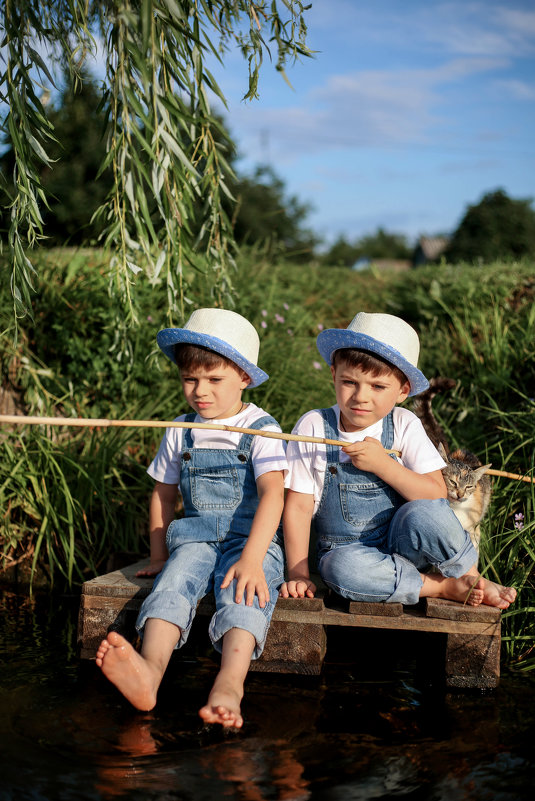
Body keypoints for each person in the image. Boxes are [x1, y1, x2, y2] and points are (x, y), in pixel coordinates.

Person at [96, 308, 287, 728]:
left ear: (244, 378)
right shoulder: (180, 428)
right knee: (173, 585)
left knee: (243, 596)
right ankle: (150, 671)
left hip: (248, 539)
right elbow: (163, 494)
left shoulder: (261, 427)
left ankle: (229, 685)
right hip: (196, 535)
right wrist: (160, 554)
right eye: (190, 379)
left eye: (214, 380)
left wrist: (254, 559)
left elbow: (274, 494)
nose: (200, 391)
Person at [281, 311, 516, 610]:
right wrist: (299, 574)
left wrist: (384, 465)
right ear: (333, 375)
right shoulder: (314, 426)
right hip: (346, 551)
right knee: (340, 570)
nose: (360, 397)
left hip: (403, 541)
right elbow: (299, 505)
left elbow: (434, 493)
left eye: (377, 386)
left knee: (427, 513)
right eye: (349, 382)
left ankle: (472, 578)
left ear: (403, 390)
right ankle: (441, 587)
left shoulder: (403, 424)